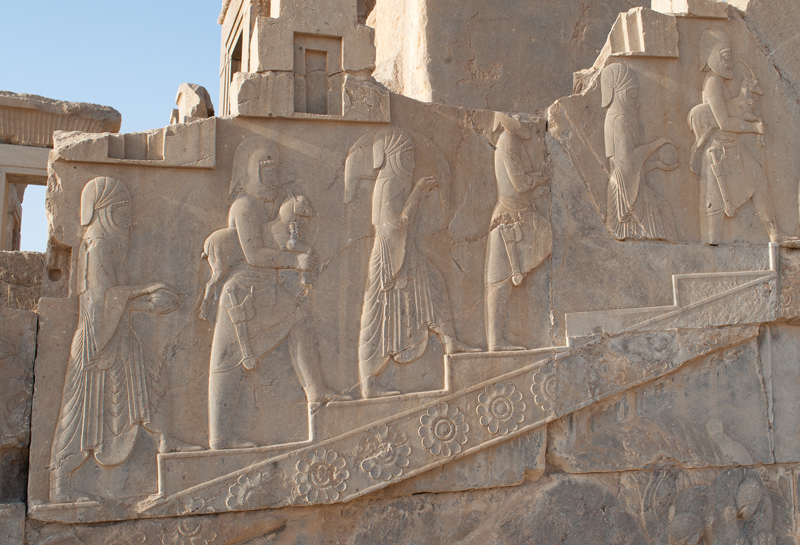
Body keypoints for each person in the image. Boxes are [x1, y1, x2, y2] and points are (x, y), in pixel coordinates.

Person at [50, 177, 198, 503]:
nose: (130, 219)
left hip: (116, 336)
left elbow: (113, 302)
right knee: (80, 415)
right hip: (95, 343)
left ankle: (166, 441)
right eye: (122, 210)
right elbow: (103, 299)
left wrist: (149, 306)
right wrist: (147, 291)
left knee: (151, 378)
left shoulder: (107, 246)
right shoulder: (97, 246)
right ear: (102, 211)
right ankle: (59, 484)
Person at [206, 137, 344, 450]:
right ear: (250, 172)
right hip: (241, 292)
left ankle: (316, 395)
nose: (273, 175)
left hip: (266, 287)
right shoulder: (244, 206)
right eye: (265, 170)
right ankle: (219, 437)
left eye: (275, 169)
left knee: (299, 321)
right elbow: (254, 253)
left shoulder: (267, 206)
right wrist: (295, 261)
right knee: (228, 361)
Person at [358, 130, 477, 398]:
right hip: (389, 255)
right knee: (377, 317)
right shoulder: (388, 184)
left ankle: (451, 343)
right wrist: (418, 191)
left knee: (433, 283)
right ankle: (368, 385)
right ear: (395, 157)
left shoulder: (394, 181)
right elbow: (394, 227)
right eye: (407, 155)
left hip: (403, 251)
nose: (412, 160)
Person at [689, 29, 798, 246]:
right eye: (726, 56)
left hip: (731, 150)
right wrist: (754, 128)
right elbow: (724, 123)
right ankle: (710, 257)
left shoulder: (717, 83)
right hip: (718, 155)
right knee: (714, 220)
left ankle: (774, 234)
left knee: (758, 178)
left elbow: (731, 112)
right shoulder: (712, 83)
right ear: (712, 55)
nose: (730, 63)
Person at [484, 112, 552, 351]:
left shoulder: (511, 143)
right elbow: (521, 184)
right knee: (498, 282)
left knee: (500, 282)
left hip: (519, 215)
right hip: (509, 220)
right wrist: (543, 177)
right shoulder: (507, 143)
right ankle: (495, 341)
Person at [602, 63, 678, 241]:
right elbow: (628, 161)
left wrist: (656, 164)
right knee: (662, 211)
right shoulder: (619, 119)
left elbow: (629, 167)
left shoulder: (619, 118)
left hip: (631, 188)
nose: (637, 103)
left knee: (663, 211)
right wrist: (658, 143)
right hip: (624, 195)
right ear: (619, 93)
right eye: (633, 95)